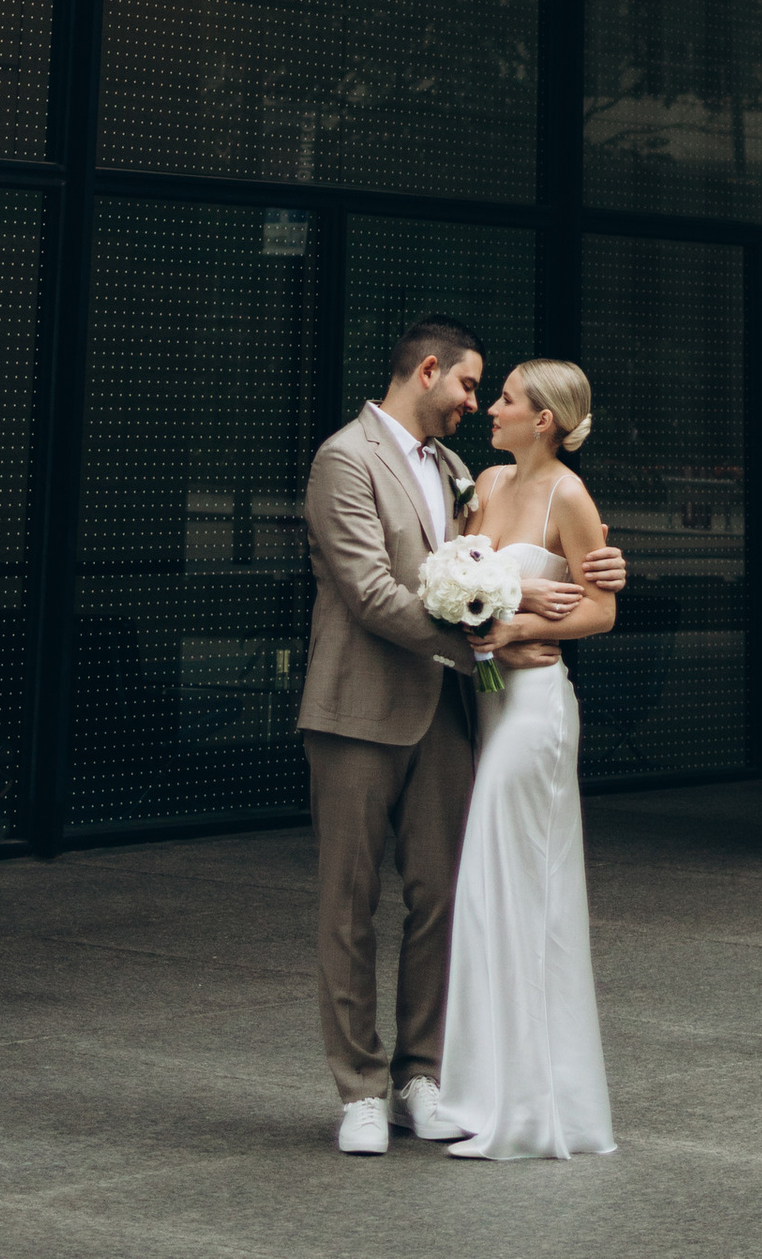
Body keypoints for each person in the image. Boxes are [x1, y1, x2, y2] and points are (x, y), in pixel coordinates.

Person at [297, 320, 626, 1157]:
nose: (476, 404)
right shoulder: (344, 459)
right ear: (428, 371)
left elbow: (503, 565)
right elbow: (372, 592)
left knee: (443, 898)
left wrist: (600, 571)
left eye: (491, 393)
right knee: (349, 904)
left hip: (448, 713)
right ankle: (360, 1091)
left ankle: (421, 1078)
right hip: (359, 709)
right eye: (470, 386)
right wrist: (494, 634)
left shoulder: (456, 471)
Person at [435, 358, 618, 1161]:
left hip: (535, 711)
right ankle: (482, 1092)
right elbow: (458, 577)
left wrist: (515, 630)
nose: (492, 410)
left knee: (523, 894)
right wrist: (492, 615)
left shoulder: (568, 495)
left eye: (505, 399)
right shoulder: (485, 482)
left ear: (543, 419)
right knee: (486, 893)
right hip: (488, 700)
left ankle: (535, 1109)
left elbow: (601, 610)